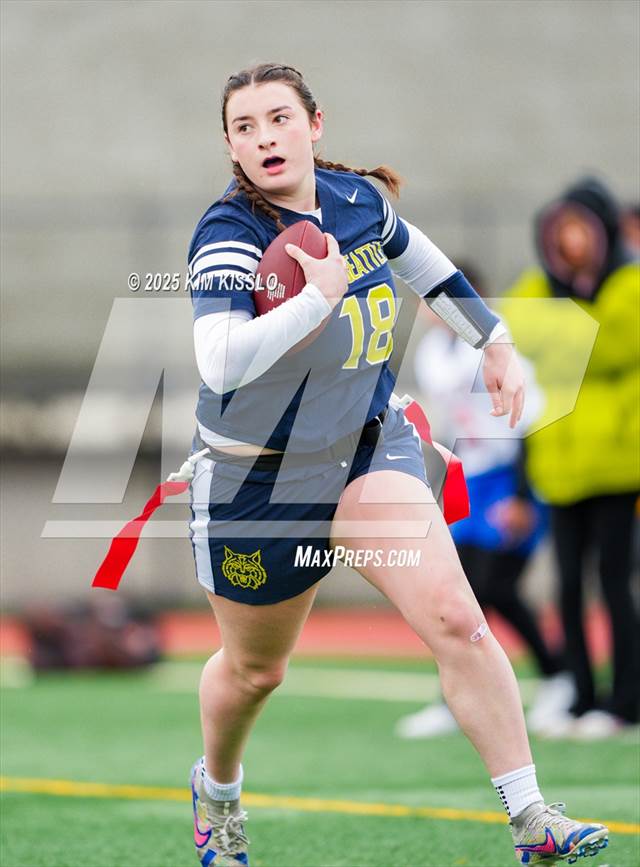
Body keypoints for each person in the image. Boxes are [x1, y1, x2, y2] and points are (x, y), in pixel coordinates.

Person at [186, 63, 608, 866]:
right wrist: (316, 301)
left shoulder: (357, 202)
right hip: (260, 474)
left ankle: (531, 818)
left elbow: (424, 264)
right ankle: (218, 791)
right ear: (232, 145)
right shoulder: (226, 233)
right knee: (254, 670)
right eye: (245, 126)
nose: (265, 136)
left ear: (315, 124)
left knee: (457, 615)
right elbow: (219, 362)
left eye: (280, 118)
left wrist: (496, 340)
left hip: (365, 447)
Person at [396, 263, 573, 739]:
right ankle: (454, 697)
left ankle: (559, 675)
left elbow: (531, 421)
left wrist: (520, 495)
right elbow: (451, 425)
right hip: (470, 475)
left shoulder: (496, 345)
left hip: (511, 474)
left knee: (494, 587)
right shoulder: (436, 352)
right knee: (459, 594)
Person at [502, 178, 640, 739]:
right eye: (561, 233)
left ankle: (626, 700)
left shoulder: (629, 284)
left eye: (581, 229)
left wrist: (569, 334)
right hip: (558, 464)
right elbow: (519, 333)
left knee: (613, 583)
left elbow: (610, 346)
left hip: (615, 463)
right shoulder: (538, 287)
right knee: (565, 587)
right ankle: (582, 694)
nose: (571, 242)